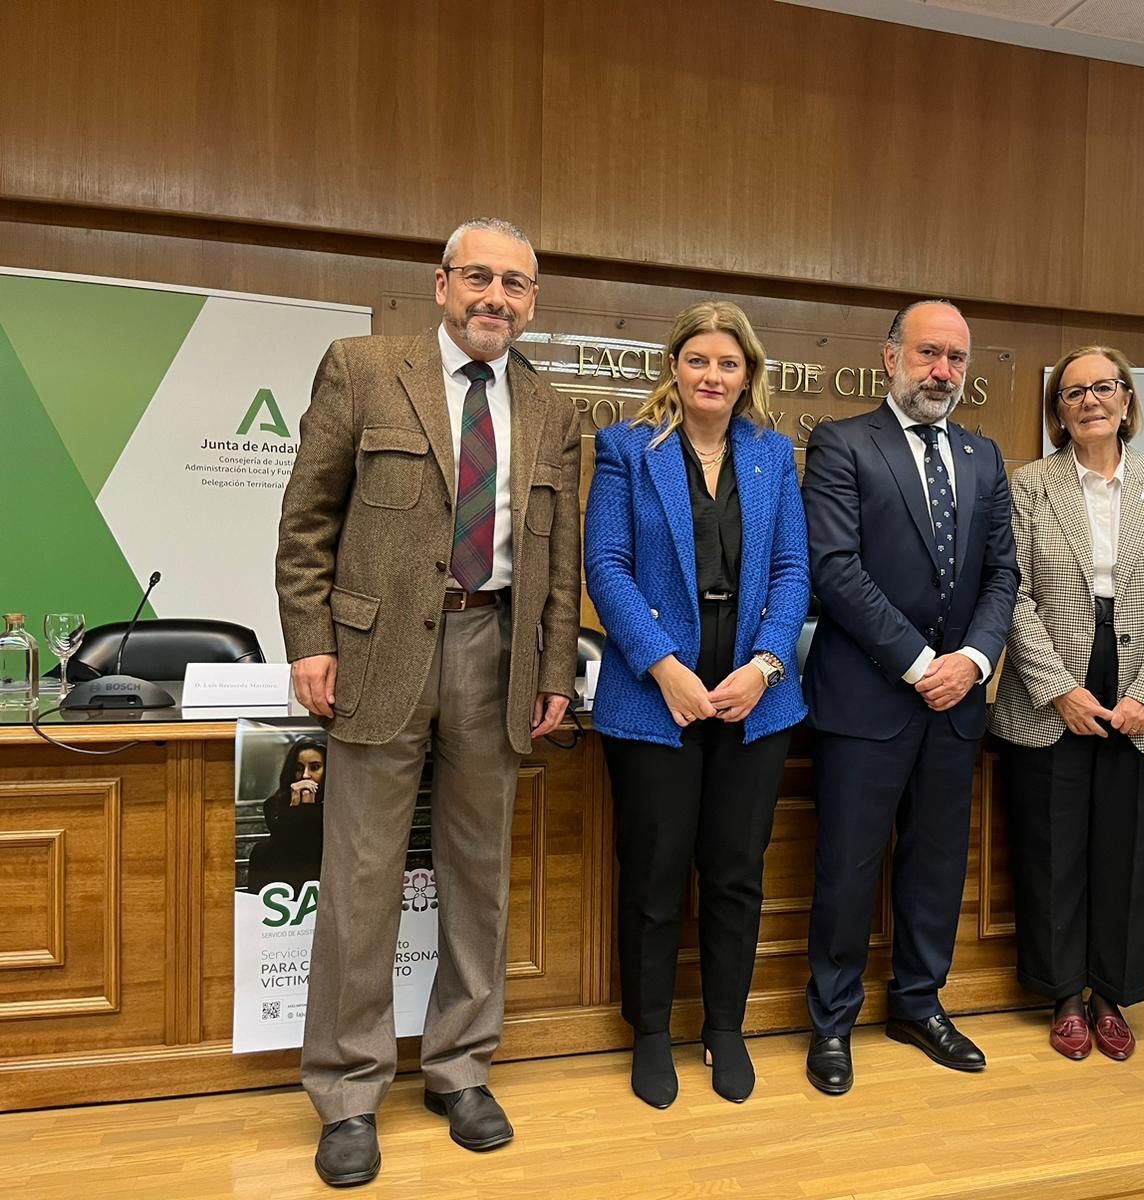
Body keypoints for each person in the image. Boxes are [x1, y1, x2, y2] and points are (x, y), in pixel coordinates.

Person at [276, 216, 581, 1186]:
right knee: (362, 877)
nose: (498, 297)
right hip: (376, 655)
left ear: (534, 303)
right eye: (481, 278)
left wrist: (553, 668)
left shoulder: (552, 408)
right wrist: (310, 642)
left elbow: (560, 562)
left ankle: (459, 1067)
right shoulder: (363, 369)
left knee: (479, 876)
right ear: (441, 283)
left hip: (497, 650)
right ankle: (347, 1089)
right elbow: (306, 520)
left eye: (517, 285)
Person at [585, 300, 809, 1109]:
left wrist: (766, 664)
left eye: (729, 364)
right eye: (698, 361)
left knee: (735, 874)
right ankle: (650, 1032)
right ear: (673, 368)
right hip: (655, 702)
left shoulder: (772, 455)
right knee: (653, 873)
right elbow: (605, 567)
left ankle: (724, 1028)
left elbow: (792, 571)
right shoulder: (625, 450)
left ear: (749, 375)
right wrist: (663, 666)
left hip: (752, 701)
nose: (712, 376)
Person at [801, 299, 1019, 1095]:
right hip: (868, 698)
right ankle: (831, 1021)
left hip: (957, 702)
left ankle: (918, 1003)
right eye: (928, 354)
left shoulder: (984, 456)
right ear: (890, 358)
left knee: (936, 866)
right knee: (848, 867)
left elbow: (1004, 574)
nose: (942, 373)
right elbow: (834, 567)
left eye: (956, 359)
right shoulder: (840, 443)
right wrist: (920, 661)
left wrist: (973, 659)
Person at [990, 346, 1144, 1062]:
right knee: (1052, 850)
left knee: (1129, 850)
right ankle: (1063, 996)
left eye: (1103, 388)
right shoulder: (1029, 487)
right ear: (1058, 412)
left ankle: (1112, 994)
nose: (1089, 401)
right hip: (1050, 688)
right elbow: (1010, 594)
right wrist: (1059, 689)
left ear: (1127, 399)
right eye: (1073, 392)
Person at [246, 735, 328, 896]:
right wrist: (295, 808)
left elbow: (315, 848)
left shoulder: (341, 805)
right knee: (261, 851)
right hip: (287, 876)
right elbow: (287, 847)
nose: (305, 776)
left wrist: (310, 809)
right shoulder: (274, 805)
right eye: (298, 768)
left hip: (323, 875)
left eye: (315, 767)